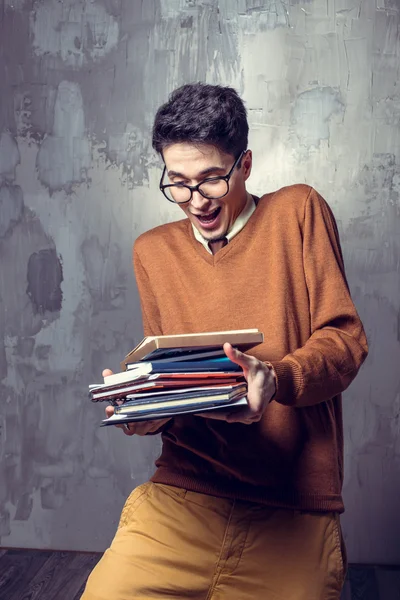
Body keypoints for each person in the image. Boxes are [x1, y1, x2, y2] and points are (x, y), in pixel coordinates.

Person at [82, 83, 368, 600]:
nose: (195, 200)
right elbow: (175, 370)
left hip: (293, 508)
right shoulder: (152, 252)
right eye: (178, 183)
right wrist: (145, 408)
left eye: (211, 179)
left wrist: (276, 378)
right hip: (184, 494)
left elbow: (345, 342)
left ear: (246, 164)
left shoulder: (298, 211)